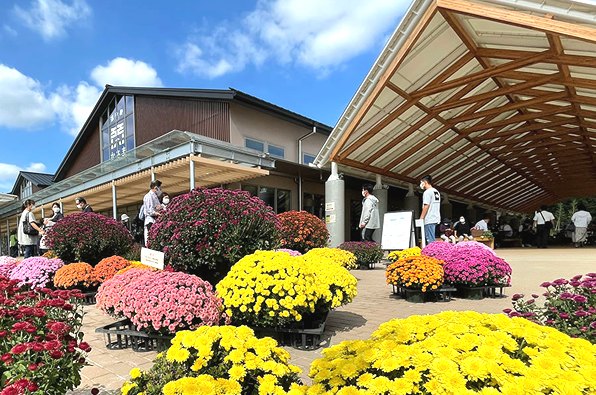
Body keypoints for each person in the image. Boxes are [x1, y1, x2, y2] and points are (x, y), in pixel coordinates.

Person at [419, 175, 441, 245]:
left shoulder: (427, 192)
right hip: (436, 217)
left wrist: (421, 218)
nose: (421, 184)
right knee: (432, 237)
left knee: (430, 239)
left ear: (425, 182)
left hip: (429, 219)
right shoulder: (436, 191)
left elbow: (426, 206)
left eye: (421, 182)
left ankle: (433, 254)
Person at [143, 180, 164, 246]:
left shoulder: (154, 196)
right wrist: (156, 212)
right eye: (160, 188)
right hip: (150, 221)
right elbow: (150, 210)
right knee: (151, 240)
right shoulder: (149, 196)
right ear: (156, 188)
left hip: (154, 220)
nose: (160, 190)